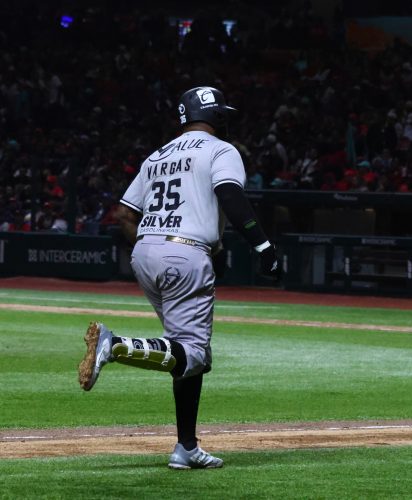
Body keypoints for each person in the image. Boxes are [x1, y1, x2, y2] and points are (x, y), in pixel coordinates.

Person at [78, 86, 279, 470]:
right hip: (184, 252)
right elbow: (230, 196)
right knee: (196, 353)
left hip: (145, 251)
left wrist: (156, 248)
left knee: (185, 352)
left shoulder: (157, 155)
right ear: (217, 115)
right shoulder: (222, 150)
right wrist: (263, 247)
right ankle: (115, 345)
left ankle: (186, 445)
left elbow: (123, 215)